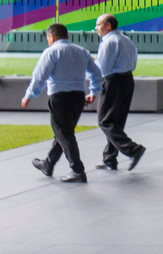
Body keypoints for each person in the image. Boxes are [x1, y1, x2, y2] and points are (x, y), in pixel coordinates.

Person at [22, 22, 102, 182]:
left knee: (64, 134)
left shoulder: (51, 52)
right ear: (67, 36)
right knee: (63, 132)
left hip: (60, 97)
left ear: (51, 37)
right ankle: (48, 164)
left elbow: (40, 76)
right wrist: (93, 91)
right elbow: (96, 73)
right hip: (78, 97)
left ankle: (78, 171)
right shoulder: (81, 51)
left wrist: (29, 95)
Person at [93, 14, 146, 173]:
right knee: (117, 121)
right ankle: (110, 158)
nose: (96, 28)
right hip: (127, 80)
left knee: (105, 121)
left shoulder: (108, 42)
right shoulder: (126, 40)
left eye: (98, 24)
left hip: (113, 82)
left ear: (108, 26)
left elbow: (103, 68)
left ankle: (133, 149)